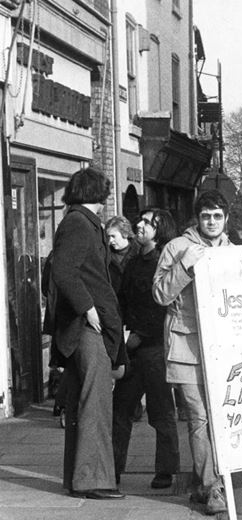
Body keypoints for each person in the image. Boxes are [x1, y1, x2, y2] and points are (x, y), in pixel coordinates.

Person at [152, 190, 232, 516]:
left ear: (226, 219)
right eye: (205, 216)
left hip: (222, 347)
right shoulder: (176, 248)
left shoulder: (233, 251)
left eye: (217, 216)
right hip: (186, 346)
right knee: (198, 417)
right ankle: (213, 488)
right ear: (196, 219)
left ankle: (203, 484)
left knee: (219, 419)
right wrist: (185, 264)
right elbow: (159, 294)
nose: (211, 222)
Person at [49, 167, 125, 500]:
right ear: (98, 194)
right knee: (96, 403)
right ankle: (93, 481)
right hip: (86, 328)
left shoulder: (78, 222)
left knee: (83, 403)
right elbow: (63, 271)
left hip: (83, 327)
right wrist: (89, 309)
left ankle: (79, 479)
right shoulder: (80, 224)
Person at [112, 208, 181, 490]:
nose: (139, 225)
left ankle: (166, 470)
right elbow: (123, 301)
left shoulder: (163, 262)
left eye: (146, 223)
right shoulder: (133, 260)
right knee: (121, 411)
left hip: (154, 348)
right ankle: (113, 468)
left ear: (159, 229)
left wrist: (137, 336)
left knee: (161, 411)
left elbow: (163, 305)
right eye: (139, 220)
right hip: (132, 347)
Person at [105, 215, 137, 293]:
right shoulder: (105, 254)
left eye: (113, 236)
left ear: (124, 233)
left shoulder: (139, 252)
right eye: (108, 237)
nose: (110, 241)